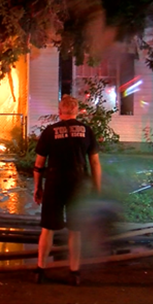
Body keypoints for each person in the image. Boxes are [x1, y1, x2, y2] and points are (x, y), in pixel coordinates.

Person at [32, 95, 102, 286]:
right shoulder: (86, 131)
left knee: (47, 229)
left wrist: (38, 188)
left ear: (59, 111)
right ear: (77, 111)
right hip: (77, 183)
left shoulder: (49, 131)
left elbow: (39, 165)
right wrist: (96, 189)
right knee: (75, 230)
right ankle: (74, 272)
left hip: (54, 181)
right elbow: (94, 163)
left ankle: (40, 270)